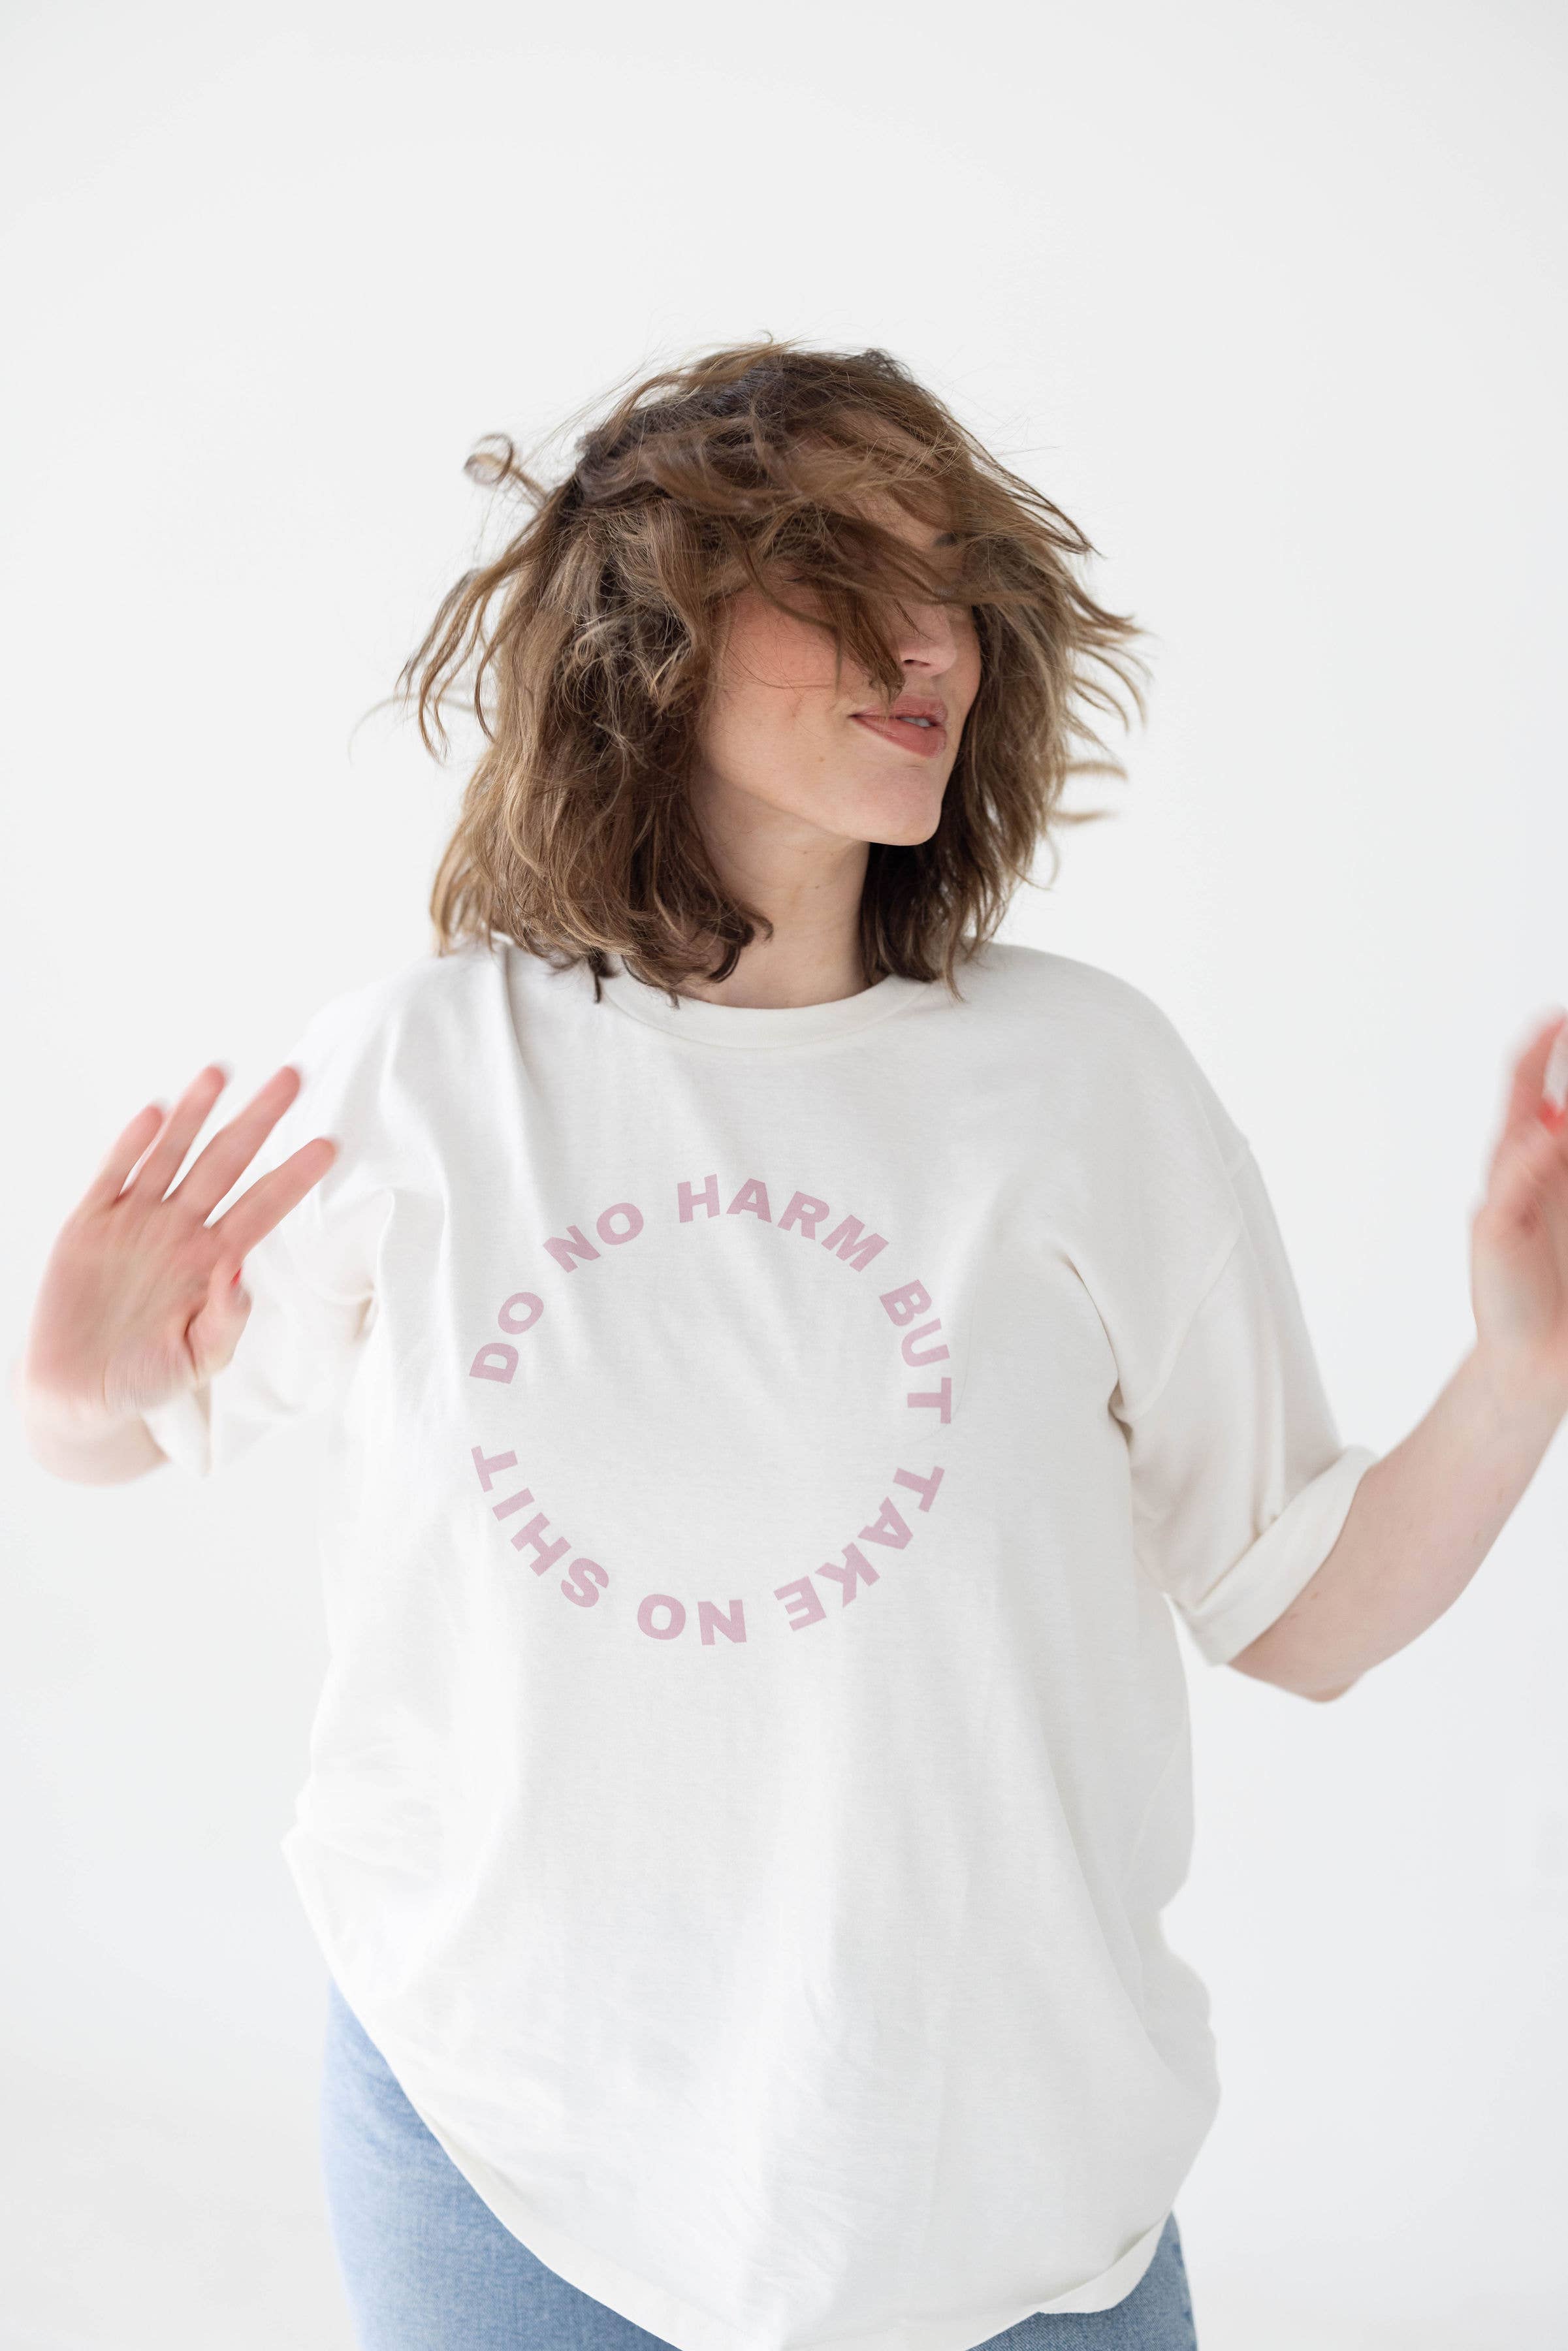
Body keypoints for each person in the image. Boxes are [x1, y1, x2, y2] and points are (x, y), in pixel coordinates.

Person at [16, 342, 1568, 2351]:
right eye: (842, 576)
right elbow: (136, 1436)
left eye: (958, 587)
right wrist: (75, 1402)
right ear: (647, 636)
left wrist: (1521, 1371)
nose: (929, 642)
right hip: (509, 2156)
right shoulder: (430, 1072)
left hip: (1012, 2207)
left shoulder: (1082, 1086)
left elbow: (1302, 1616)